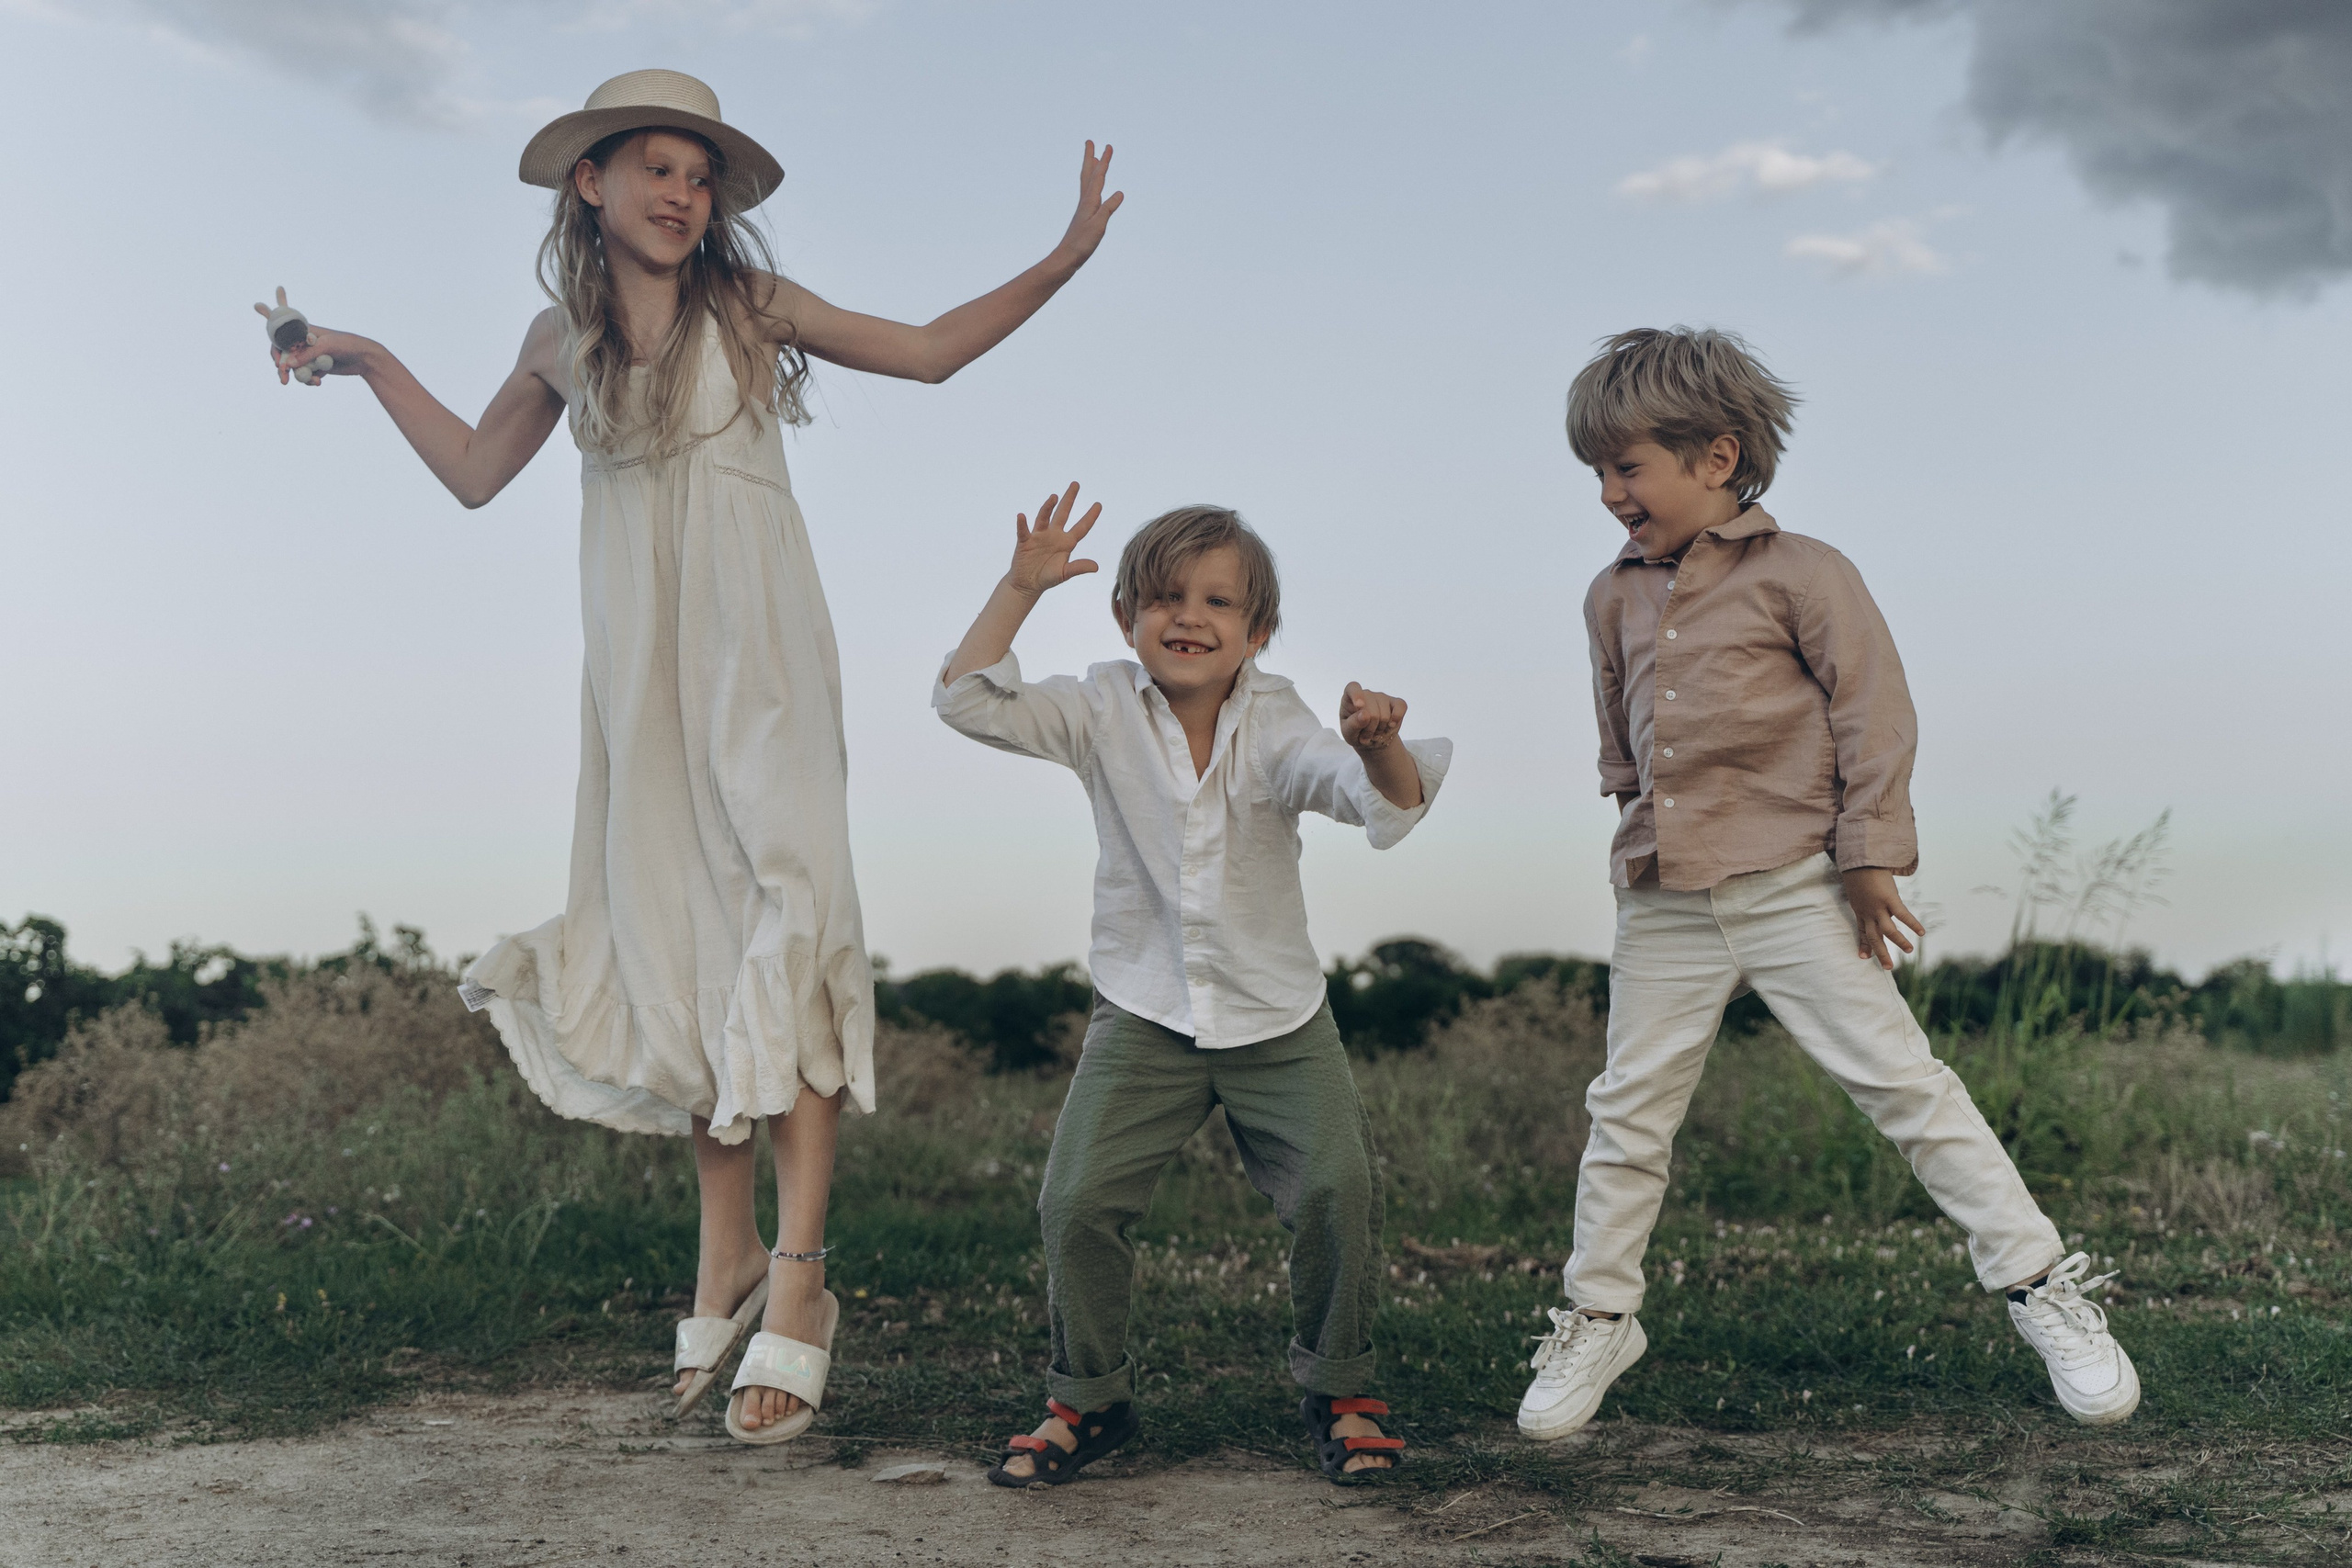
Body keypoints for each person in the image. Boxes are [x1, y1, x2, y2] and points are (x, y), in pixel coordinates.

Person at [258, 69, 1122, 1445]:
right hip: (640, 675)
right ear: (588, 182)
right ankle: (724, 1256)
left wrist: (1064, 255)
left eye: (698, 172)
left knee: (791, 911)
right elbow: (474, 474)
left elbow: (928, 350)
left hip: (759, 656)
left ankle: (802, 1275)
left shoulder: (749, 306)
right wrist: (365, 360)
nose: (680, 191)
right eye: (653, 165)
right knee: (678, 933)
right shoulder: (559, 338)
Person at [1515, 327, 2139, 1441]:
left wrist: (1866, 858)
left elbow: (1872, 714)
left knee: (1905, 1088)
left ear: (1716, 457)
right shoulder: (1608, 596)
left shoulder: (1805, 573)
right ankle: (1599, 1315)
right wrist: (1631, 826)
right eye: (1596, 472)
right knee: (1627, 1112)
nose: (1609, 493)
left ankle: (2040, 1287)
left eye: (1626, 467)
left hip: (1797, 885)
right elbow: (1619, 734)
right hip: (1663, 898)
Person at [933, 487, 1450, 1484]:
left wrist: (1377, 743)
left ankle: (1341, 1390)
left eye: (1218, 602)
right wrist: (1019, 588)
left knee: (1337, 1189)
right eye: (1165, 597)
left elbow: (1368, 796)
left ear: (1257, 632)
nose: (1189, 618)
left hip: (1276, 1015)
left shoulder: (1280, 719)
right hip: (1144, 1008)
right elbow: (967, 700)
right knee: (1076, 1201)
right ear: (1126, 615)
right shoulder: (1097, 706)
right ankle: (1089, 1401)